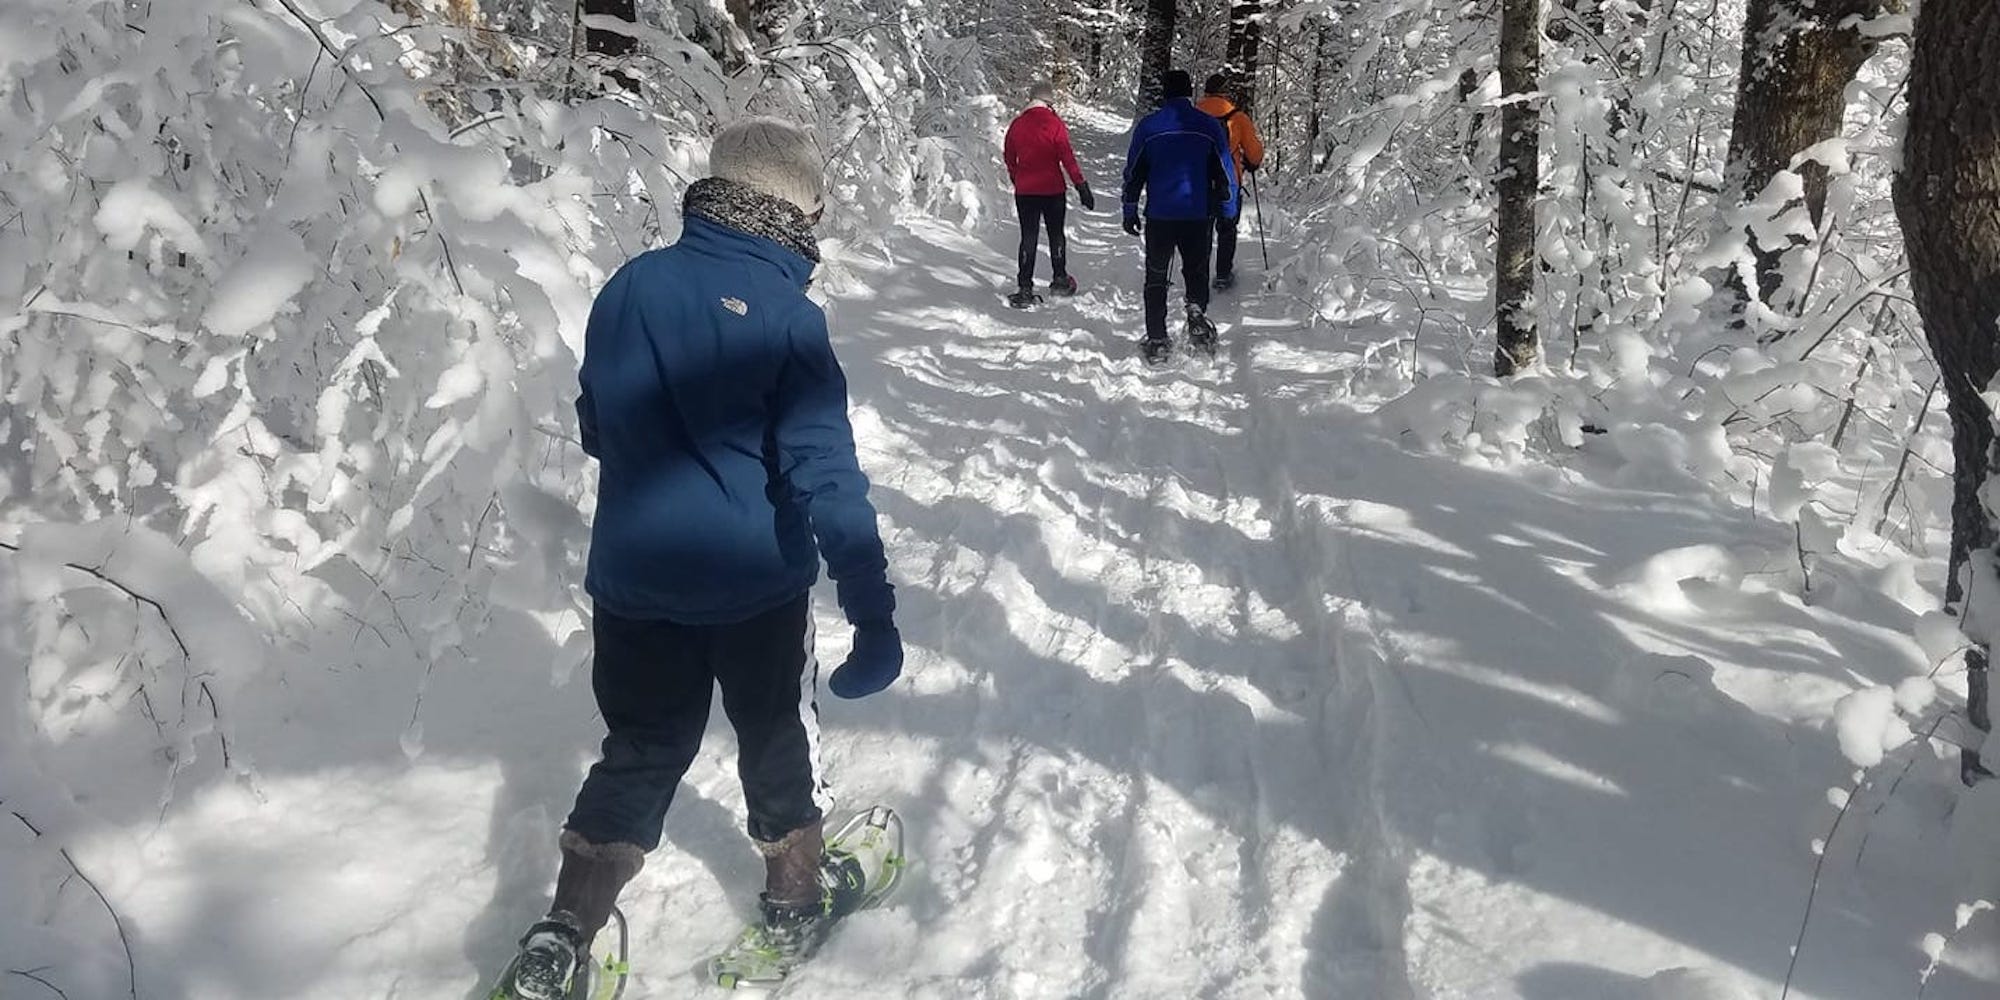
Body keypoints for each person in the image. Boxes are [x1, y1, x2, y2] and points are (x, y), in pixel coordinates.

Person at [497, 117, 905, 1000]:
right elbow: (826, 474)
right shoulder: (790, 318)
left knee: (639, 746)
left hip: (634, 579)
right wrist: (872, 611)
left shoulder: (629, 287)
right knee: (771, 735)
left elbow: (596, 426)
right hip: (755, 588)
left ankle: (562, 935)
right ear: (794, 204)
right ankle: (794, 901)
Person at [1122, 69, 1238, 362]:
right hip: (1198, 214)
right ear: (1189, 92)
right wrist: (1228, 209)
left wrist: (1129, 208)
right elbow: (1224, 172)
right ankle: (1197, 317)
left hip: (1160, 214)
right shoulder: (1209, 126)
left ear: (1165, 94)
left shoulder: (1149, 127)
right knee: (1196, 270)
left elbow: (1134, 172)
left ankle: (1158, 339)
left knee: (1156, 276)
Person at [1003, 81, 1094, 307]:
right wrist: (1080, 185)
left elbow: (1009, 157)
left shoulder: (1017, 124)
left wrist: (1018, 177)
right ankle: (1060, 279)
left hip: (1026, 191)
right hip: (1053, 190)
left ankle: (1025, 287)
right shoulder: (1055, 124)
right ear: (1049, 102)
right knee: (1056, 235)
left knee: (1029, 237)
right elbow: (1067, 158)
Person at [1195, 73, 1265, 290]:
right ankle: (1223, 274)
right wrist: (1249, 163)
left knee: (1201, 229)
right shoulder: (1238, 118)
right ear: (1227, 92)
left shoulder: (1192, 115)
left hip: (1197, 182)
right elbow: (1255, 154)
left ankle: (1199, 275)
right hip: (1228, 181)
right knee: (1227, 228)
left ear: (1206, 92)